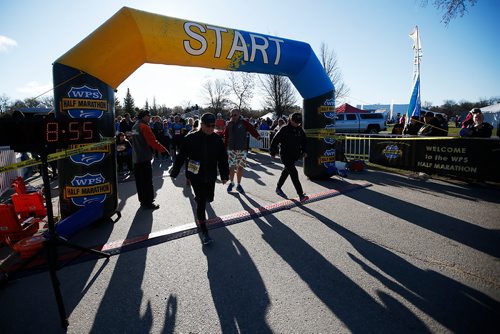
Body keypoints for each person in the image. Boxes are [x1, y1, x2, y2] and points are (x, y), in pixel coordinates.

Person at [169, 113, 229, 245]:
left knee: (209, 198)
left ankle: (200, 198)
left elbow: (223, 158)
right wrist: (175, 171)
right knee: (201, 203)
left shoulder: (217, 139)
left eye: (213, 126)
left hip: (211, 174)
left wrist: (225, 175)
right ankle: (204, 232)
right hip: (195, 174)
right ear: (201, 125)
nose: (210, 128)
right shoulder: (190, 138)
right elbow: (181, 156)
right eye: (208, 126)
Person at [130, 110, 168, 209]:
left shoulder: (134, 126)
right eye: (148, 116)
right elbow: (153, 141)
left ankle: (142, 201)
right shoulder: (144, 127)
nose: (150, 118)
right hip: (144, 157)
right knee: (147, 181)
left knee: (139, 181)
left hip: (136, 158)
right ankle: (148, 202)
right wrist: (163, 150)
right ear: (143, 116)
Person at [269, 112, 309, 202]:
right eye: (296, 122)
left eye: (299, 122)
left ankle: (278, 188)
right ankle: (301, 195)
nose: (297, 124)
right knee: (294, 173)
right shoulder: (284, 129)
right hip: (285, 155)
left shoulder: (299, 129)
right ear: (291, 120)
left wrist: (305, 151)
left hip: (294, 155)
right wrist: (272, 152)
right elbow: (275, 140)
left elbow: (304, 141)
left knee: (286, 172)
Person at [223, 108, 261, 193]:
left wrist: (257, 136)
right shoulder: (229, 124)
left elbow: (252, 129)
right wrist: (224, 147)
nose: (233, 116)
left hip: (241, 149)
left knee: (240, 168)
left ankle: (239, 184)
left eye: (235, 115)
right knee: (231, 167)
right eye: (231, 115)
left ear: (239, 114)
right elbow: (226, 136)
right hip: (231, 149)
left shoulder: (244, 123)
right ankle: (232, 182)